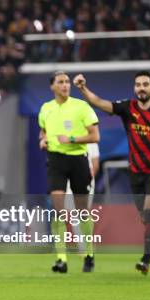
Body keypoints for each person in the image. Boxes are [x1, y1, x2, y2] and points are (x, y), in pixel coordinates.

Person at [74, 71, 150, 275]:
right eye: (138, 85)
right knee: (146, 218)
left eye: (145, 84)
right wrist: (82, 88)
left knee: (149, 212)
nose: (141, 88)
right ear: (134, 88)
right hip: (136, 171)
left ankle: (145, 260)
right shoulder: (127, 108)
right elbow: (99, 103)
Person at [39, 71, 100, 273]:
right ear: (52, 86)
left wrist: (73, 139)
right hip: (56, 160)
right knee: (58, 209)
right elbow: (43, 131)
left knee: (83, 212)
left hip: (78, 160)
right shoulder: (46, 108)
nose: (65, 85)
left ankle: (89, 255)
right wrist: (43, 140)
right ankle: (61, 259)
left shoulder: (81, 106)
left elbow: (95, 136)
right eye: (61, 82)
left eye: (67, 82)